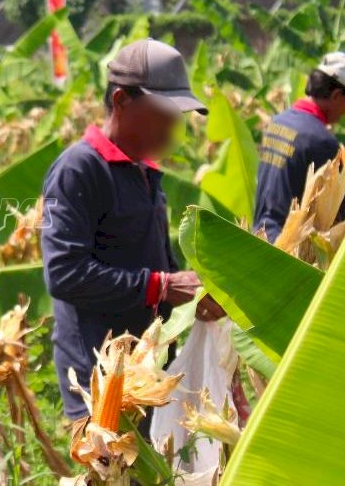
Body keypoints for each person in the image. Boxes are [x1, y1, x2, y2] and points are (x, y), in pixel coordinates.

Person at [41, 39, 225, 424]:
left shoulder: (143, 170)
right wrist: (159, 286)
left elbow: (154, 260)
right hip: (99, 376)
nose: (174, 126)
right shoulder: (79, 169)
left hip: (144, 367)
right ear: (122, 100)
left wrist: (190, 298)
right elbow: (64, 274)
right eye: (164, 113)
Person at [253, 52, 345, 242]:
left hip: (260, 236)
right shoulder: (321, 141)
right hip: (288, 248)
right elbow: (339, 216)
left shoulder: (277, 123)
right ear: (337, 95)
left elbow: (293, 179)